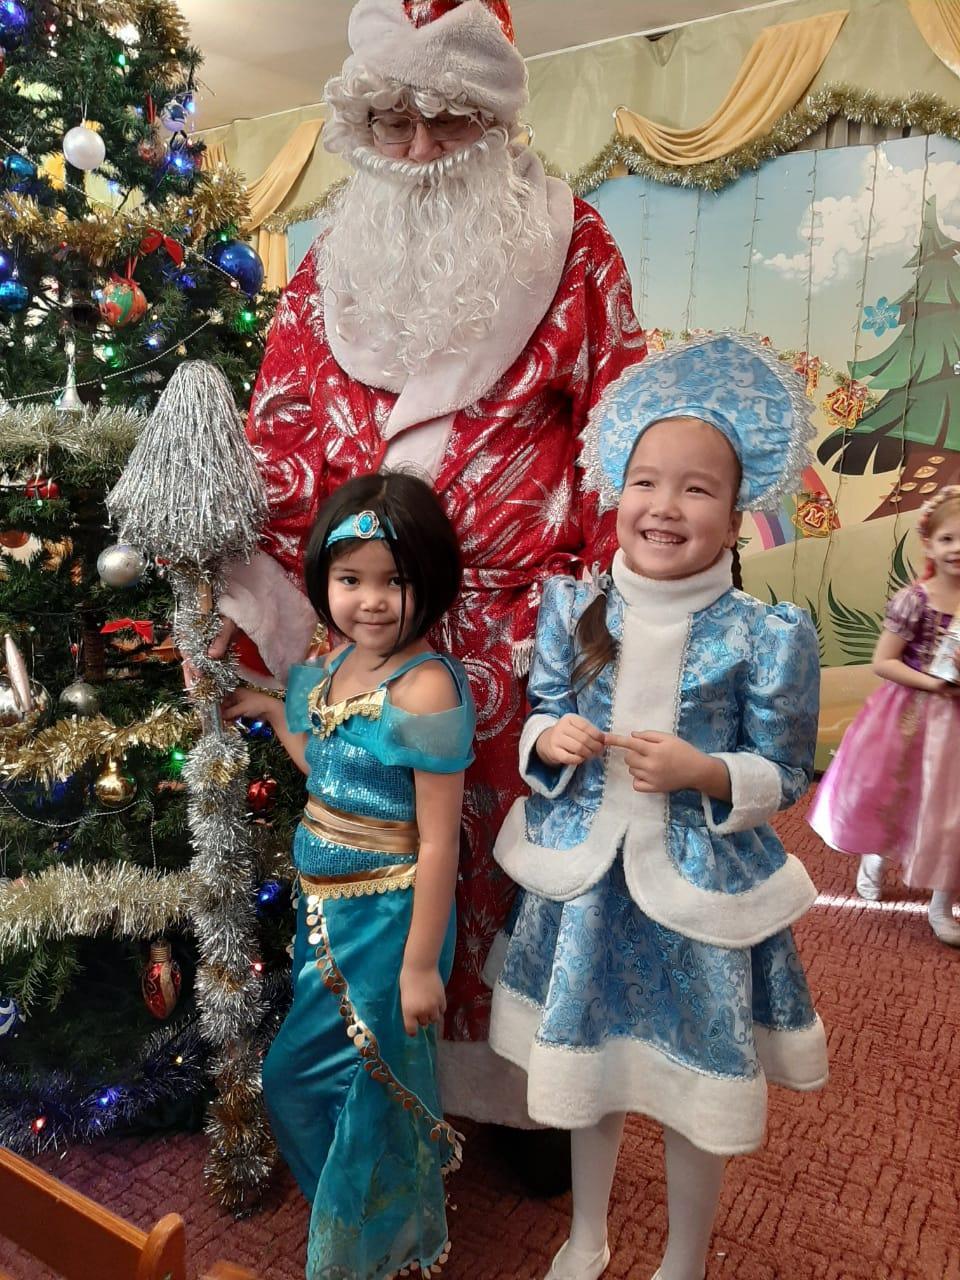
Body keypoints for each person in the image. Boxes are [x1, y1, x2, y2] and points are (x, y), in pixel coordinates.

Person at [212, 0, 647, 1144]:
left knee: (519, 873)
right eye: (390, 122)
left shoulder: (575, 244)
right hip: (362, 629)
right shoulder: (327, 266)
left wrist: (612, 633)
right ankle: (394, 1075)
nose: (415, 149)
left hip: (523, 643)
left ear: (494, 118)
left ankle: (524, 1093)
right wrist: (263, 605)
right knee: (380, 864)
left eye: (446, 120)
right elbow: (279, 436)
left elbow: (620, 437)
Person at [486, 334, 829, 1280]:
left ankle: (684, 1259)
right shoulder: (574, 609)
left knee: (691, 1091)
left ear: (737, 513)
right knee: (587, 1072)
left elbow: (784, 771)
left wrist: (707, 772)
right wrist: (546, 739)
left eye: (697, 489)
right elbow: (542, 710)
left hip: (697, 897)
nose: (665, 507)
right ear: (617, 491)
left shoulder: (765, 636)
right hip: (586, 887)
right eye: (646, 482)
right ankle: (586, 1233)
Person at [222, 471, 476, 1279]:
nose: (370, 601)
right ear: (324, 581)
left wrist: (418, 967)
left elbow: (440, 843)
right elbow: (326, 769)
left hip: (391, 922)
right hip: (322, 915)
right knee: (299, 1079)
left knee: (369, 1088)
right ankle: (364, 1224)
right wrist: (273, 711)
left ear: (430, 580)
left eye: (393, 580)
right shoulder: (333, 666)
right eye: (350, 579)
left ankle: (371, 1252)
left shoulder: (425, 687)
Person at [808, 486, 960, 946]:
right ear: (929, 543)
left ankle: (942, 903)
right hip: (911, 717)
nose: (957, 549)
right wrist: (934, 683)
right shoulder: (915, 600)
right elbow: (884, 662)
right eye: (948, 539)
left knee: (952, 811)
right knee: (896, 793)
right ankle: (876, 854)